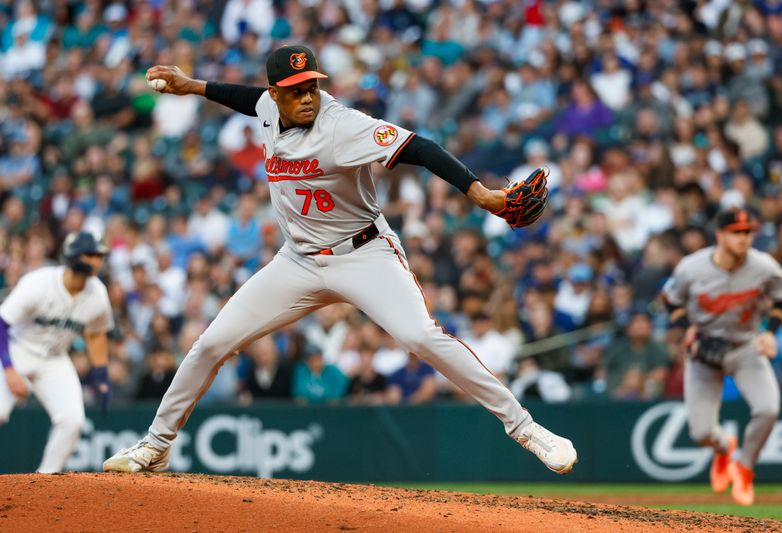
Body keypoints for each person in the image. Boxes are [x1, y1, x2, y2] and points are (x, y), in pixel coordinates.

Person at [103, 44, 576, 475]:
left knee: (420, 336)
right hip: (298, 261)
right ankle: (156, 445)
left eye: (311, 85)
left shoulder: (342, 125)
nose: (307, 96)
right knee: (210, 344)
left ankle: (527, 428)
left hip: (363, 253)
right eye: (294, 90)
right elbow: (249, 99)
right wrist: (193, 86)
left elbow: (421, 148)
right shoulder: (269, 107)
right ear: (277, 93)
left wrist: (481, 193)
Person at [661, 208, 782, 506]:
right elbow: (670, 301)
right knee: (701, 433)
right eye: (736, 232)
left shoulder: (763, 266)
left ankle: (744, 466)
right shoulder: (691, 268)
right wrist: (688, 328)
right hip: (703, 352)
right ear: (719, 235)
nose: (744, 238)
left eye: (748, 232)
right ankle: (724, 448)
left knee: (769, 409)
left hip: (744, 346)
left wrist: (770, 331)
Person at [0, 232, 113, 472]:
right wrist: (9, 369)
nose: (97, 260)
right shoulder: (39, 283)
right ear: (73, 256)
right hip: (16, 349)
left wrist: (102, 377)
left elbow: (96, 333)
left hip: (54, 359)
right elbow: (2, 323)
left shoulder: (98, 294)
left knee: (73, 421)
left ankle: (44, 483)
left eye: (99, 255)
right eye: (91, 254)